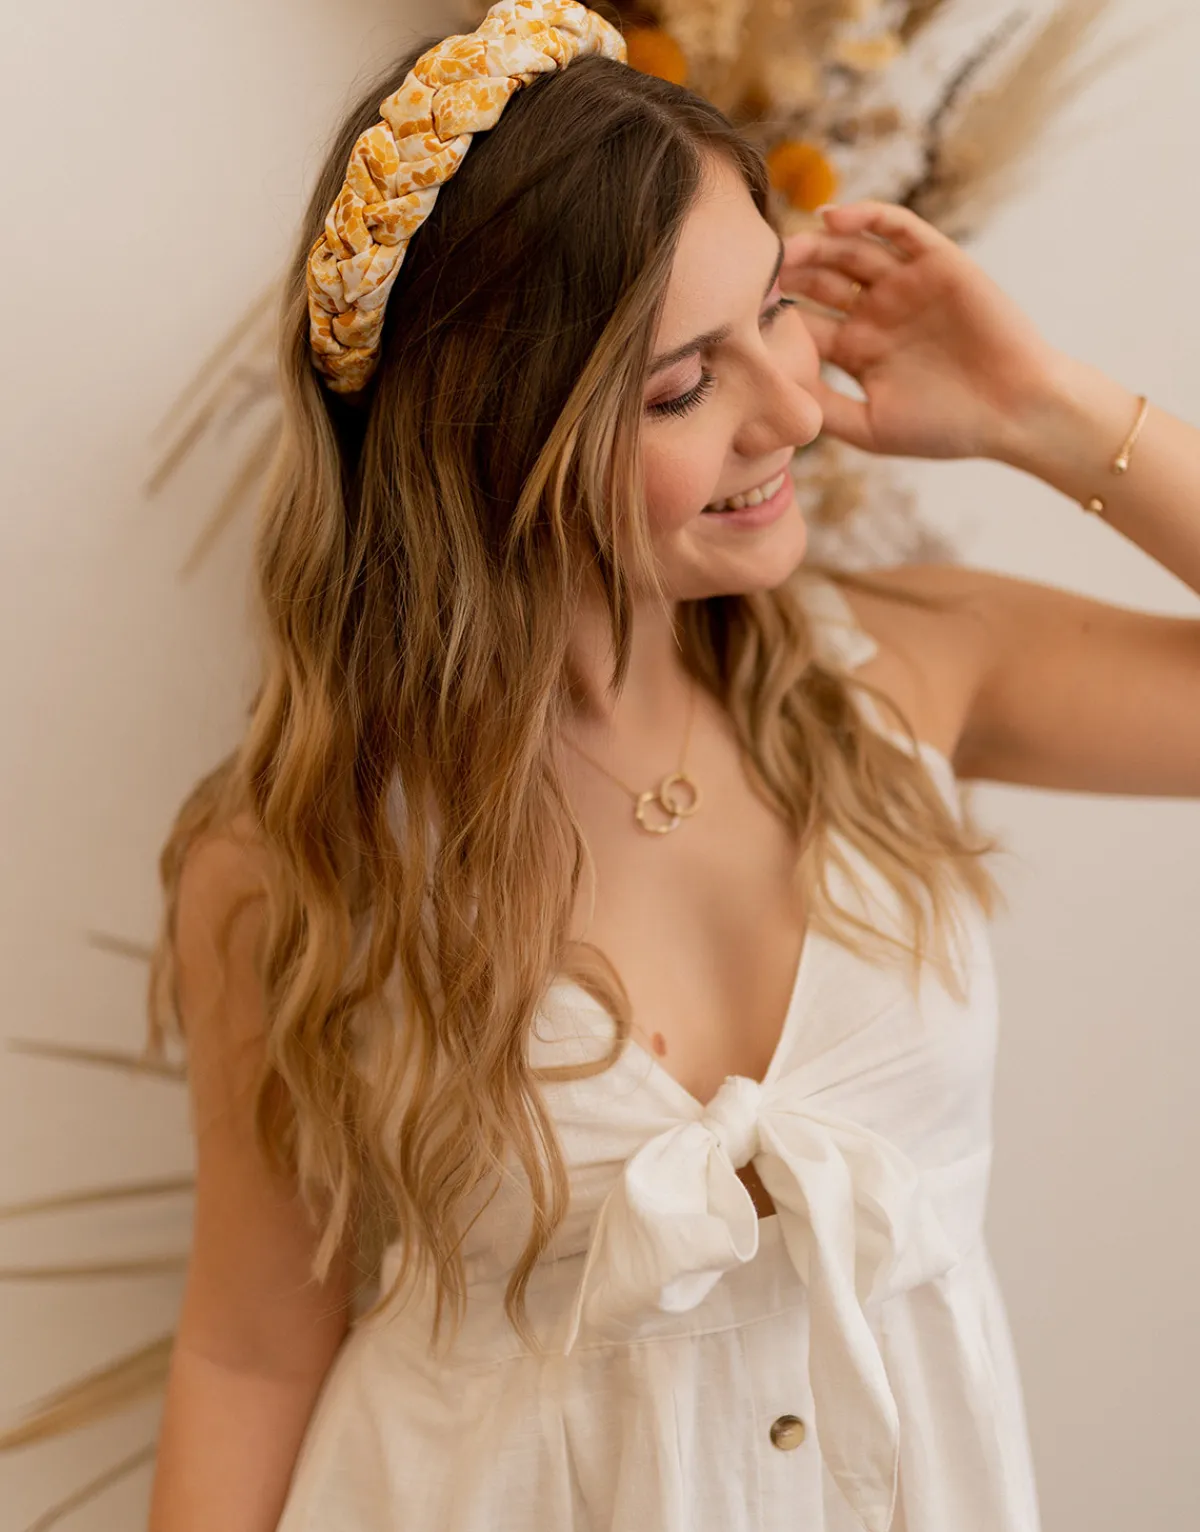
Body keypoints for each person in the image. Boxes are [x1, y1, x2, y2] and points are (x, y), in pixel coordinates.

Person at [144, 3, 1200, 1529]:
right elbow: (248, 1355)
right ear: (491, 440)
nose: (797, 409)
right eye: (683, 387)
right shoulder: (302, 860)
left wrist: (1042, 410)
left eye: (779, 307)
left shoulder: (906, 668)